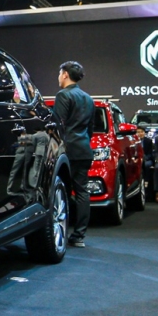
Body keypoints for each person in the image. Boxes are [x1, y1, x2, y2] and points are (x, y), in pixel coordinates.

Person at [53, 61, 94, 248]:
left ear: (65, 74)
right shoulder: (88, 98)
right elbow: (90, 129)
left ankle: (59, 230)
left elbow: (58, 125)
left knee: (61, 191)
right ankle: (79, 236)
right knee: (82, 192)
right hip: (84, 149)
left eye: (59, 73)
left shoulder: (63, 95)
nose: (58, 77)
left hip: (67, 150)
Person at [136, 126, 155, 195]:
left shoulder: (148, 141)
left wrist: (144, 158)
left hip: (147, 159)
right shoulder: (133, 141)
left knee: (146, 164)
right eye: (138, 132)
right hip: (137, 159)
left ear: (144, 133)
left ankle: (146, 181)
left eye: (142, 132)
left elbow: (151, 153)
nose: (140, 134)